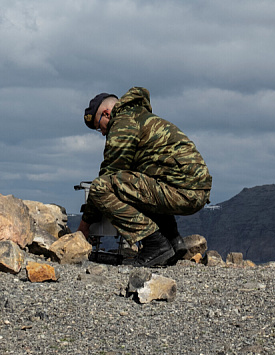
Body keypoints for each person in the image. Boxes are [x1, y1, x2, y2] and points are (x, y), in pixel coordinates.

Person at [78, 86, 212, 267]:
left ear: (107, 114)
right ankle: (173, 241)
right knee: (138, 183)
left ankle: (155, 244)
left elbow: (109, 175)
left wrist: (85, 225)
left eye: (98, 127)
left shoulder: (123, 123)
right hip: (194, 190)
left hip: (183, 191)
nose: (102, 132)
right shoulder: (140, 117)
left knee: (101, 187)